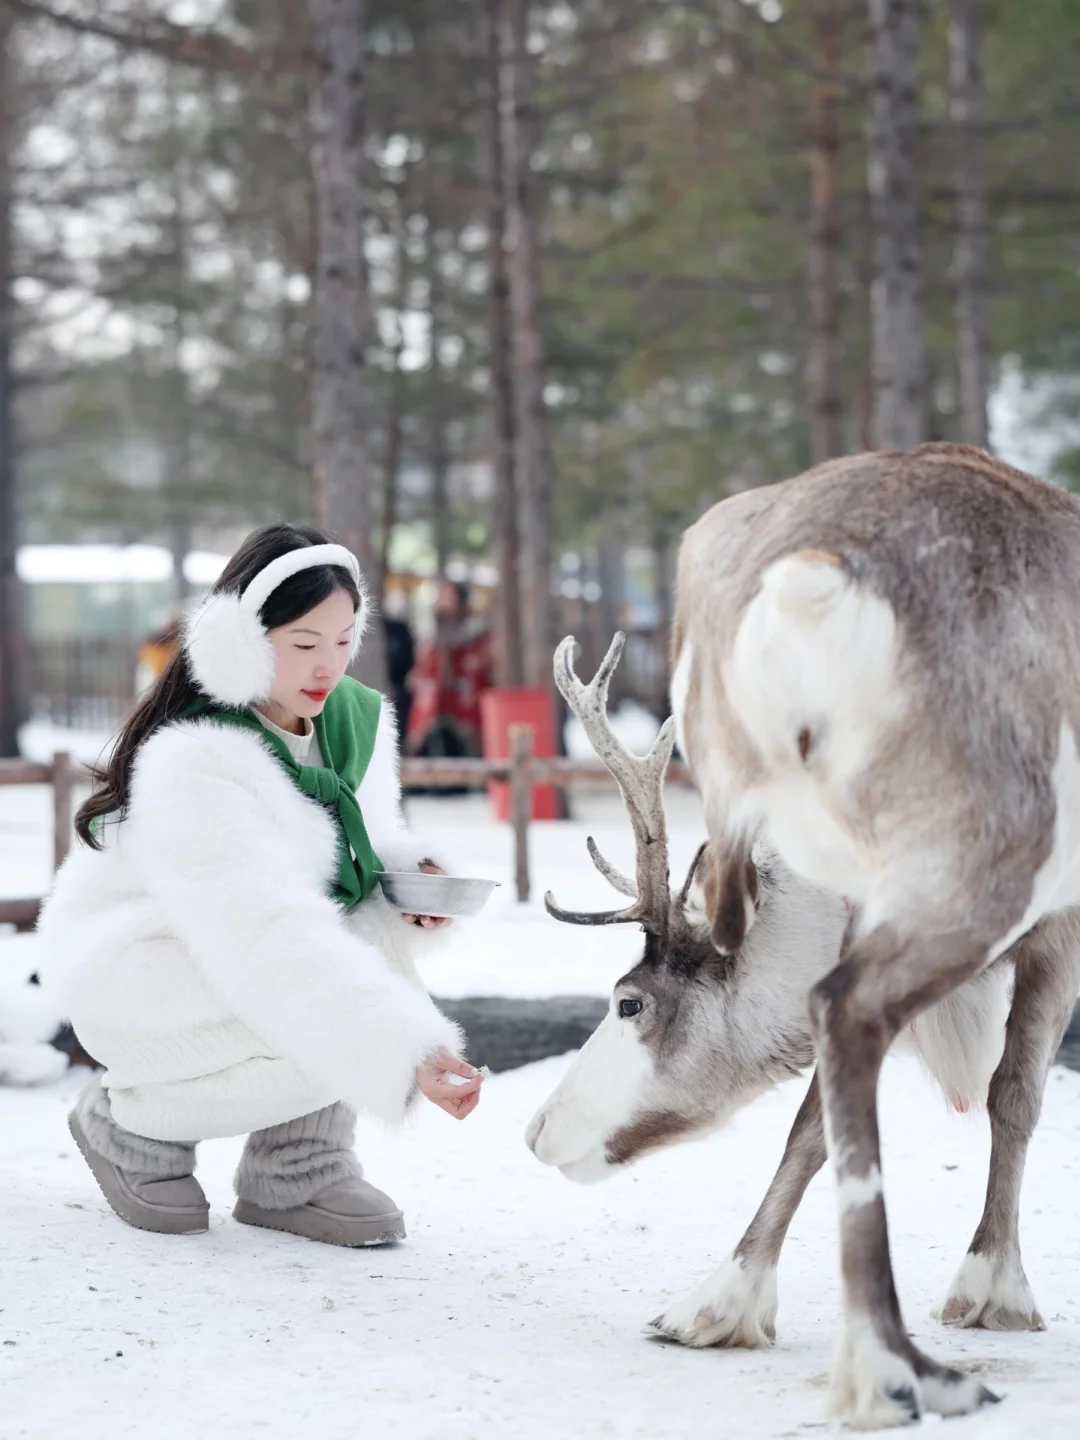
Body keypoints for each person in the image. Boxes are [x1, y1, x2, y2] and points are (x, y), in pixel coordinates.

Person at [36, 523, 483, 1247]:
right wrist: (401, 1046)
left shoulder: (351, 722)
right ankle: (129, 1130)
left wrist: (409, 882)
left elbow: (357, 851)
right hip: (143, 972)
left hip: (254, 949)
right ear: (238, 642)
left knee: (356, 937)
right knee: (327, 982)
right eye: (304, 644)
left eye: (344, 641)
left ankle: (298, 1166)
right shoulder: (196, 758)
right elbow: (265, 935)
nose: (328, 666)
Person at [406, 579, 494, 765]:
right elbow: (420, 673)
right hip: (434, 703)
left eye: (449, 596)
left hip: (463, 702)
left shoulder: (473, 634)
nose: (444, 601)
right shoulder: (431, 637)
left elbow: (479, 667)